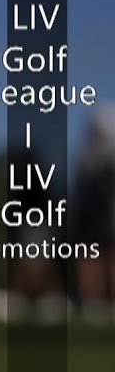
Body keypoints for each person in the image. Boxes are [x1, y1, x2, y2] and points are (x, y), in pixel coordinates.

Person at [75, 109, 115, 321]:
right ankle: (92, 300)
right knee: (90, 259)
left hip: (108, 216)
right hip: (90, 218)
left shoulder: (108, 156)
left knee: (109, 258)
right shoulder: (86, 157)